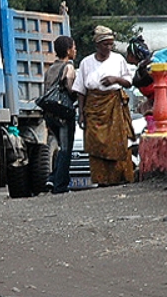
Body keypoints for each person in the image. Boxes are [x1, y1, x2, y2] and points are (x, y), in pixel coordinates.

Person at [72, 26, 135, 186]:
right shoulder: (86, 62)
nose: (108, 48)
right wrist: (81, 113)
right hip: (93, 107)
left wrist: (116, 79)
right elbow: (80, 89)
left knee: (118, 141)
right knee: (95, 143)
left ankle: (118, 178)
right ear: (97, 45)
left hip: (114, 105)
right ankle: (101, 180)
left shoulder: (118, 59)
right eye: (105, 44)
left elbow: (128, 81)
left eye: (111, 44)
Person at [125, 36, 167, 133]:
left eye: (128, 54)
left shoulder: (151, 68)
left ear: (132, 55)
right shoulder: (143, 68)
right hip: (164, 100)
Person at [43, 35, 77, 194]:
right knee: (65, 149)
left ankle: (52, 178)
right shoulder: (68, 67)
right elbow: (70, 89)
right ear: (69, 50)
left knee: (60, 147)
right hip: (64, 114)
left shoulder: (50, 68)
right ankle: (60, 186)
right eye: (74, 48)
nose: (75, 51)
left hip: (50, 113)